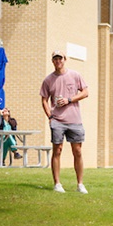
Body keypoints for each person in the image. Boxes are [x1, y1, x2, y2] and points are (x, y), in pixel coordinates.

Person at [40, 50, 89, 194]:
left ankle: (80, 184)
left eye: (60, 58)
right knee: (57, 150)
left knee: (77, 151)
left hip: (75, 120)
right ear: (52, 61)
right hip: (57, 121)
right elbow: (44, 99)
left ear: (64, 59)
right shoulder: (48, 80)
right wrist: (50, 116)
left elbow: (85, 92)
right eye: (55, 59)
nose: (58, 61)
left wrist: (69, 100)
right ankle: (57, 184)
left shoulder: (75, 75)